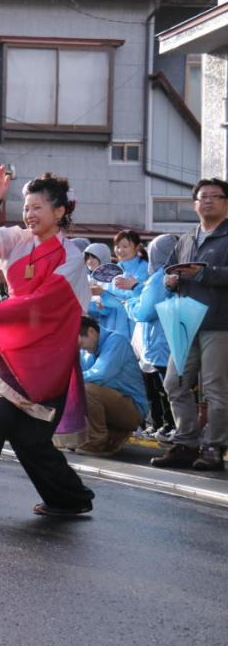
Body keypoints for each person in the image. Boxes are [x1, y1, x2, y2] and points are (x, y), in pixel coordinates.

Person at [0, 168, 95, 518]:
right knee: (14, 429)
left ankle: (67, 497)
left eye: (37, 207)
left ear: (60, 212)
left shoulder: (70, 258)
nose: (29, 214)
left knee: (23, 434)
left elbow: (40, 303)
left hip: (47, 356)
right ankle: (66, 497)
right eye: (26, 207)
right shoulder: (17, 240)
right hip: (12, 348)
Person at [152, 178, 228, 471]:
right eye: (202, 197)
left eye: (214, 196)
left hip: (218, 322)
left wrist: (202, 274)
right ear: (194, 204)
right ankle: (186, 442)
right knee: (174, 383)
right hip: (184, 321)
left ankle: (213, 446)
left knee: (215, 387)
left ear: (225, 202)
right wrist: (170, 281)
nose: (207, 200)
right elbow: (168, 272)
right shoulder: (186, 238)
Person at [124, 234, 177, 438]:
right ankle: (162, 424)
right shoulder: (169, 275)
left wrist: (129, 304)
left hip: (159, 341)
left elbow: (145, 312)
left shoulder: (158, 278)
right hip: (162, 340)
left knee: (163, 388)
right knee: (161, 387)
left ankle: (167, 424)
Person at [77, 316, 148, 456]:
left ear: (91, 331)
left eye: (80, 342)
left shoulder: (116, 341)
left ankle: (96, 442)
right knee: (73, 389)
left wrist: (71, 380)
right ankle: (110, 434)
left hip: (133, 408)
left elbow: (101, 374)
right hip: (114, 402)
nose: (80, 347)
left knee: (86, 389)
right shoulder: (86, 350)